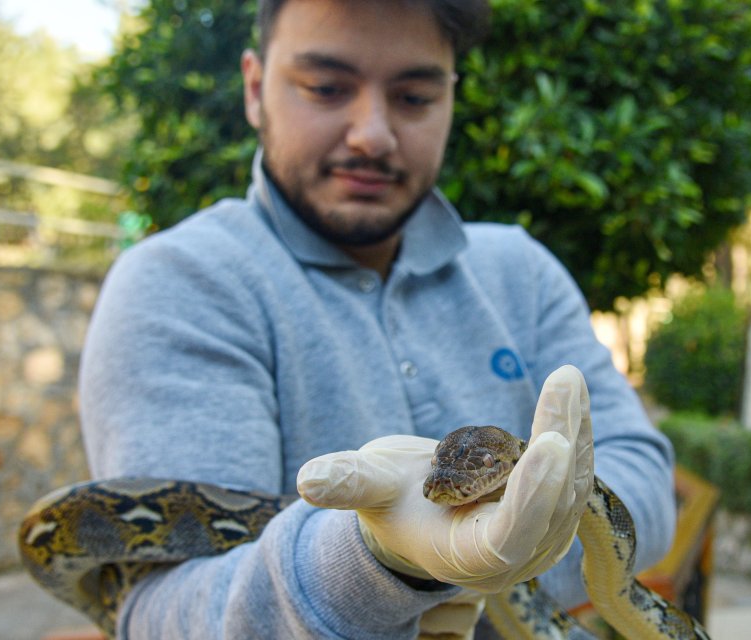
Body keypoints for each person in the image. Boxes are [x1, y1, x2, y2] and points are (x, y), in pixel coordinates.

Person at [77, 0, 678, 638]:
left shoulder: (521, 272)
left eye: (415, 96)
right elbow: (164, 615)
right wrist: (383, 562)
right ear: (255, 89)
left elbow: (640, 475)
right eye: (327, 88)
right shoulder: (178, 283)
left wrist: (492, 548)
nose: (372, 135)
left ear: (451, 98)